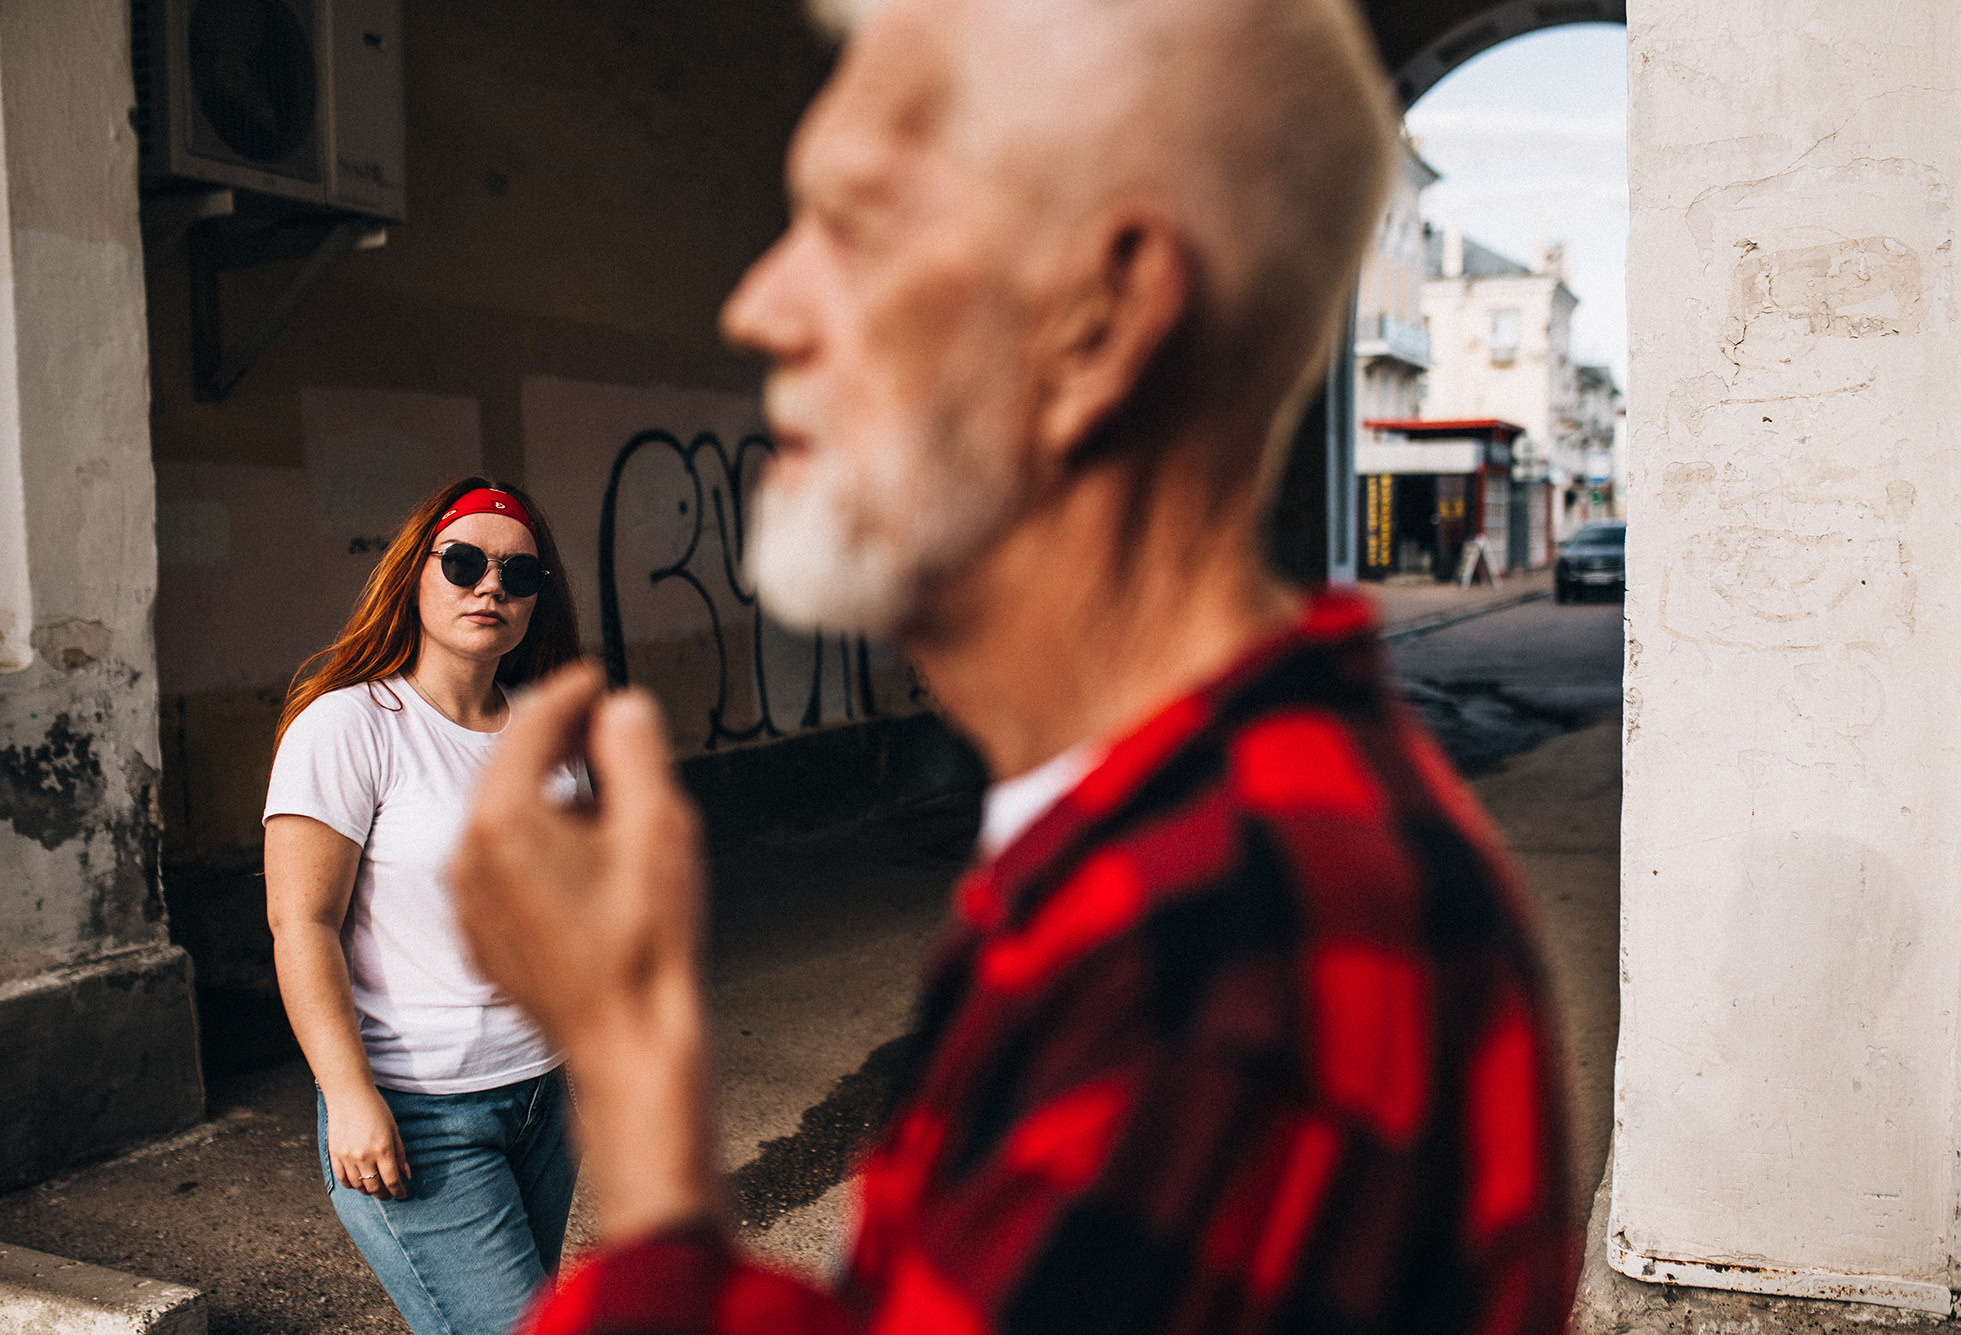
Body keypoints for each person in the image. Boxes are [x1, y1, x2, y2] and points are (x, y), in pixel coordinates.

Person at [451, 0, 1578, 1330]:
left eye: (854, 223)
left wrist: (631, 1068)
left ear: (1098, 321)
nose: (760, 307)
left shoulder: (1227, 960)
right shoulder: (1172, 844)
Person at [264, 479, 585, 1335]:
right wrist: (349, 1093)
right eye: (465, 562)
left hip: (541, 1100)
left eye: (519, 574)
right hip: (419, 1112)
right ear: (415, 573)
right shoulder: (349, 727)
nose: (491, 587)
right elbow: (303, 923)